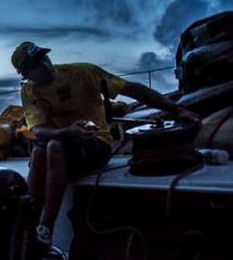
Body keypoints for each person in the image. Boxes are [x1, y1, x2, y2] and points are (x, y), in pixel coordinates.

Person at [11, 41, 199, 246]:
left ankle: (45, 227)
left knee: (52, 146)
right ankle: (27, 223)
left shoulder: (83, 73)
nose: (45, 65)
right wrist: (68, 131)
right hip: (63, 149)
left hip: (97, 144)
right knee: (40, 152)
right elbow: (37, 130)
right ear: (26, 74)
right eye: (36, 64)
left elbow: (133, 90)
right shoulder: (29, 92)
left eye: (44, 58)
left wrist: (176, 110)